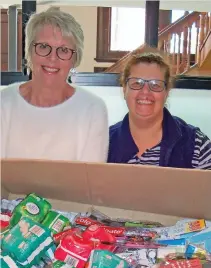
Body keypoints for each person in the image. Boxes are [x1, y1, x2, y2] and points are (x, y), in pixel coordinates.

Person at [1, 8, 108, 162]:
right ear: (29, 51)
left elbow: (88, 181)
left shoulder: (92, 109)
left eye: (63, 50)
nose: (52, 58)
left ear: (75, 58)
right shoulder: (4, 103)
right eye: (44, 47)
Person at [108, 51, 211, 169]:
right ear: (124, 89)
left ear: (166, 92)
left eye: (155, 84)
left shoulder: (196, 145)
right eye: (137, 83)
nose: (145, 92)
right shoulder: (104, 142)